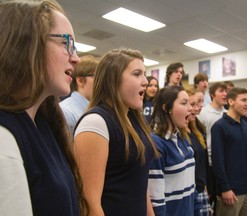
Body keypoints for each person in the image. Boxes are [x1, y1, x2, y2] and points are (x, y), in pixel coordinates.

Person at [0, 0, 86, 216]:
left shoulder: (43, 123)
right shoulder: (5, 137)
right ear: (27, 43)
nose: (76, 58)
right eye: (67, 43)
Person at [73, 48, 159, 216]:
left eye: (144, 74)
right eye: (137, 74)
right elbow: (89, 203)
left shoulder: (134, 121)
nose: (145, 82)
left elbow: (139, 185)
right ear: (113, 79)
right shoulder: (96, 123)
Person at [211, 87, 247, 216]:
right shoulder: (219, 127)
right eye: (243, 100)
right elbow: (217, 161)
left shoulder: (246, 125)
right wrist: (225, 188)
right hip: (231, 192)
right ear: (231, 101)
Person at [148, 86, 200, 216]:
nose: (190, 108)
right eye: (184, 103)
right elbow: (156, 201)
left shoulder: (182, 139)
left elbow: (192, 188)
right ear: (166, 108)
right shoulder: (156, 144)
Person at [197, 82, 227, 213]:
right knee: (211, 198)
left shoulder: (227, 113)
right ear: (212, 95)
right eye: (221, 91)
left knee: (223, 198)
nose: (225, 94)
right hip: (209, 163)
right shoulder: (203, 113)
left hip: (225, 162)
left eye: (226, 91)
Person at [187, 89, 211, 216]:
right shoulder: (178, 135)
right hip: (189, 193)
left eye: (198, 104)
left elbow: (202, 165)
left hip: (201, 190)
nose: (196, 108)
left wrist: (205, 189)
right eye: (192, 104)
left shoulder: (198, 130)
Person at [60, 55, 99, 134]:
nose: (101, 82)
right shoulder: (66, 112)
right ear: (80, 81)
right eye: (97, 77)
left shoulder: (96, 109)